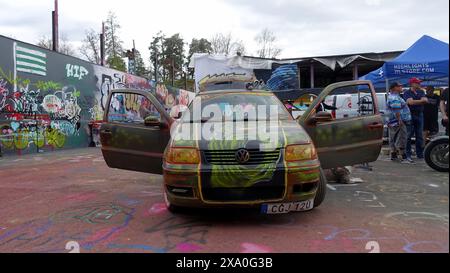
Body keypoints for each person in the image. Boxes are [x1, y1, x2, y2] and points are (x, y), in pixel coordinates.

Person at [403, 77, 428, 163]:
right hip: (410, 115)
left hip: (419, 114)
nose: (419, 84)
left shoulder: (421, 91)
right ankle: (408, 154)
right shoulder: (407, 92)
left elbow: (425, 100)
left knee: (419, 136)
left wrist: (415, 101)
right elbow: (410, 102)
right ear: (412, 84)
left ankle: (420, 154)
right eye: (417, 83)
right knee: (408, 135)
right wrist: (421, 101)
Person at [387, 82, 412, 163]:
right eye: (399, 86)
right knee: (401, 138)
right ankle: (404, 157)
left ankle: (393, 155)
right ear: (394, 88)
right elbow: (396, 109)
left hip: (393, 122)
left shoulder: (392, 97)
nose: (401, 87)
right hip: (398, 122)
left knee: (393, 138)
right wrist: (399, 120)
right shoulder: (394, 97)